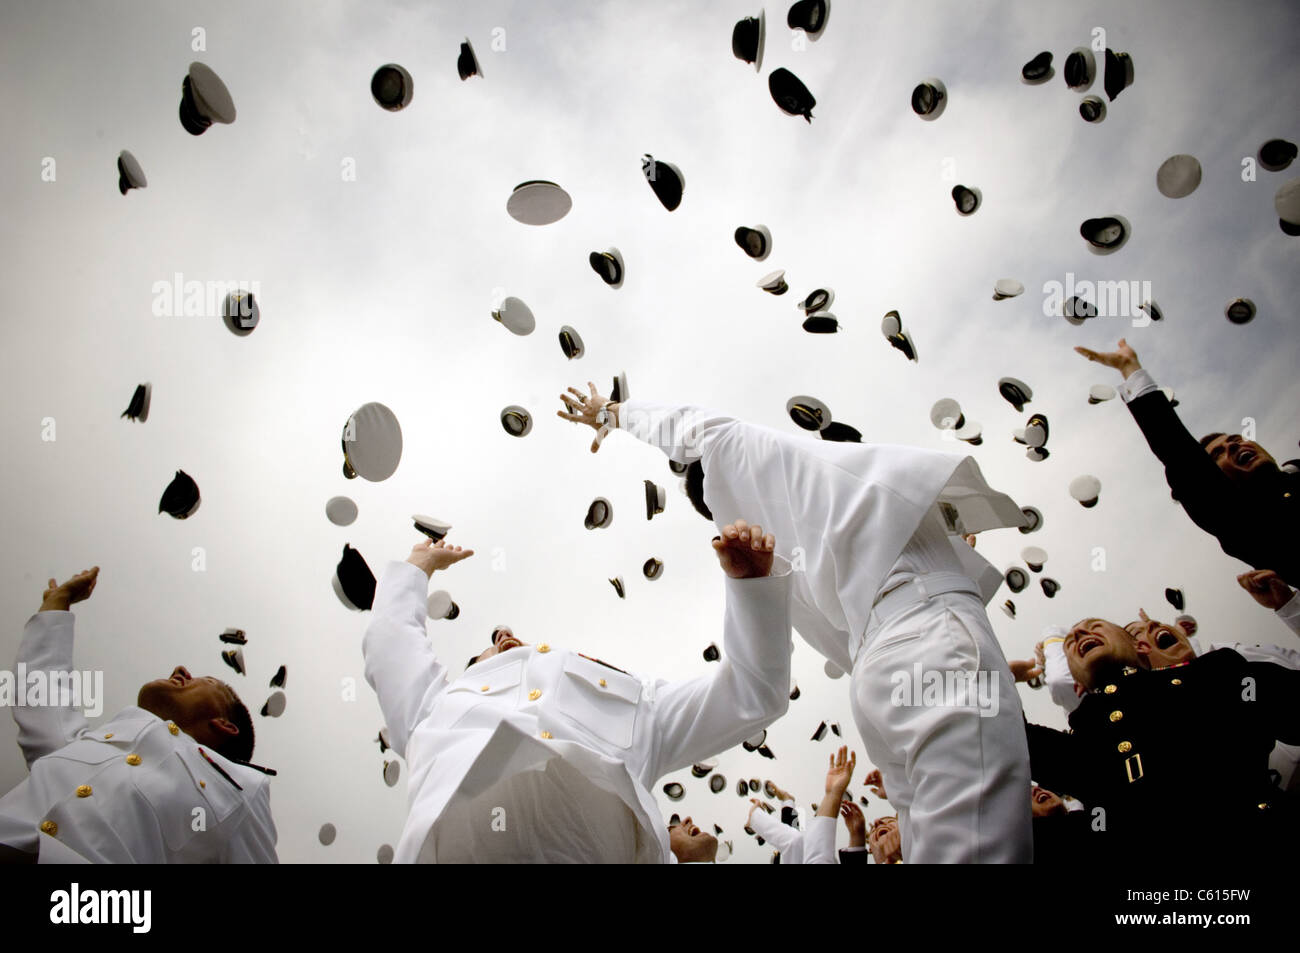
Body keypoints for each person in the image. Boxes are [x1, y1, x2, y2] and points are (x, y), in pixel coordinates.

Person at [557, 383, 1033, 863]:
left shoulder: (777, 554)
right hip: (925, 629)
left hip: (877, 669)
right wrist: (613, 411)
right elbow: (691, 423)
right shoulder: (754, 457)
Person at [361, 522, 792, 863]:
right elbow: (390, 643)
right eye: (491, 646)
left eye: (511, 637)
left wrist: (753, 590)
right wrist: (419, 563)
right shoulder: (435, 707)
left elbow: (753, 694)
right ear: (472, 673)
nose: (506, 636)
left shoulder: (642, 705)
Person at [0, 568, 277, 863]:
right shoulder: (82, 746)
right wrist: (57, 603)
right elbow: (44, 699)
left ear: (224, 725)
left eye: (205, 681)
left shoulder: (240, 792)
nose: (181, 671)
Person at [1025, 616, 1300, 859]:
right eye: (1071, 641)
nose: (1080, 635)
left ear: (1138, 646)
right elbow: (1002, 735)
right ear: (1079, 684)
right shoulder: (1082, 746)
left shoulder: (1213, 676)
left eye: (1095, 626)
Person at [1076, 339, 1300, 587]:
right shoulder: (1243, 522)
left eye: (1236, 439)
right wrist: (1131, 368)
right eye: (1218, 454)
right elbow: (1178, 451)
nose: (1234, 445)